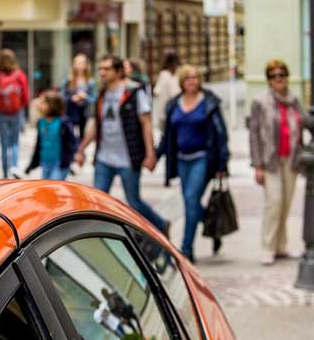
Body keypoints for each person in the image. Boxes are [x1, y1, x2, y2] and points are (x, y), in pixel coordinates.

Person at [74, 55, 169, 234]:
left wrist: (150, 154)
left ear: (118, 71)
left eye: (106, 69)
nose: (102, 72)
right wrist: (81, 149)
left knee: (134, 202)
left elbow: (146, 123)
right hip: (104, 158)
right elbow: (96, 124)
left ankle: (160, 225)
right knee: (97, 202)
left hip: (128, 158)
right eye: (100, 69)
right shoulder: (102, 94)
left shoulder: (133, 92)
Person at [157, 65, 229, 261]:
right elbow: (168, 135)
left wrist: (223, 163)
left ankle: (186, 249)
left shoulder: (209, 102)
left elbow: (221, 134)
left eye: (195, 77)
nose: (192, 81)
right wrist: (156, 154)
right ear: (182, 82)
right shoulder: (174, 104)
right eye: (188, 78)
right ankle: (213, 227)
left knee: (190, 199)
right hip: (182, 159)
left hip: (203, 158)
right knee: (192, 203)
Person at [248, 59, 303, 265]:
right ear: (269, 80)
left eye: (282, 75)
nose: (278, 79)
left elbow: (302, 126)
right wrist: (257, 165)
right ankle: (267, 247)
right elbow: (254, 134)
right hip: (269, 160)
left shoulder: (294, 100)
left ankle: (281, 246)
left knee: (286, 203)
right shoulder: (260, 102)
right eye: (273, 76)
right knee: (274, 202)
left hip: (291, 158)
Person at [0, 48, 29, 178]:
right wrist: (22, 107)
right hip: (16, 112)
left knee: (4, 143)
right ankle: (14, 166)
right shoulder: (20, 75)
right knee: (14, 141)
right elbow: (25, 96)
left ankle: (4, 174)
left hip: (1, 113)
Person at [25, 92, 78, 180]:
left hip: (59, 164)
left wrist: (75, 156)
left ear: (52, 105)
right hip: (45, 163)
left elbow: (72, 141)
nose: (39, 104)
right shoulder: (41, 122)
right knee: (47, 186)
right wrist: (32, 164)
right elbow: (38, 145)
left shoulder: (63, 123)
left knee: (54, 185)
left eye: (43, 102)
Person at [59, 53, 97, 138]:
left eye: (81, 63)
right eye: (77, 62)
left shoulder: (90, 82)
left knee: (82, 136)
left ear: (86, 65)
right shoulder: (68, 80)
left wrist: (85, 97)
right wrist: (71, 98)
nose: (79, 65)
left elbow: (94, 99)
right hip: (70, 111)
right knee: (69, 135)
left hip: (83, 112)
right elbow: (61, 96)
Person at [151, 50, 181, 134]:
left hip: (166, 111)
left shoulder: (164, 74)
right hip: (179, 109)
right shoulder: (180, 73)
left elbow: (157, 91)